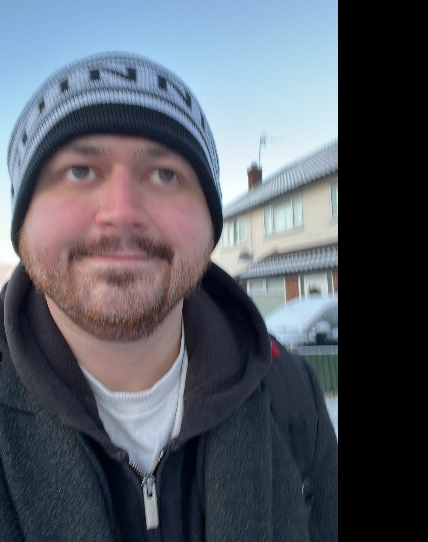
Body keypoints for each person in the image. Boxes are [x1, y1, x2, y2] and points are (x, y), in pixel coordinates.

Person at [0, 52, 338, 541]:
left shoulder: (289, 393)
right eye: (79, 170)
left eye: (164, 174)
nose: (122, 212)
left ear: (209, 225)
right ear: (22, 220)